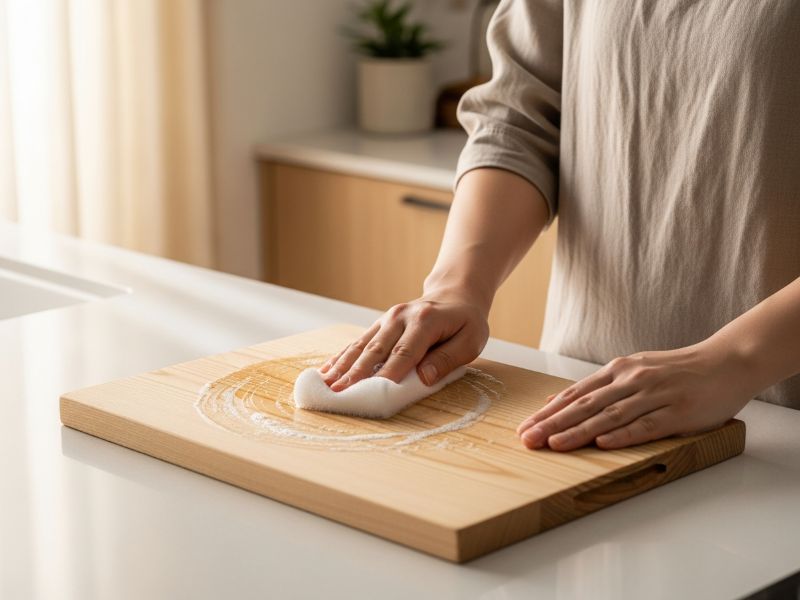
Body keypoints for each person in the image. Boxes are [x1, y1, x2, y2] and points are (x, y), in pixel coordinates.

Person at [319, 0, 800, 451]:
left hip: (780, 430)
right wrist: (455, 286)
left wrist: (737, 359)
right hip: (576, 393)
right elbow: (521, 118)